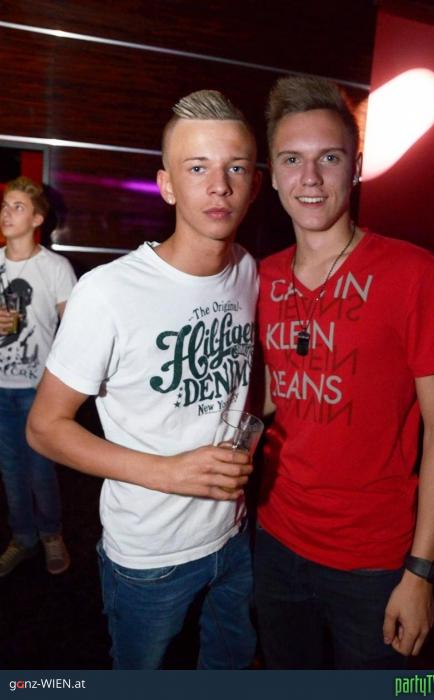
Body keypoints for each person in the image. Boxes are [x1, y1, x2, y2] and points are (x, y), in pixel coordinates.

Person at [27, 90, 261, 669]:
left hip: (233, 535)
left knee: (230, 664)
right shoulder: (107, 291)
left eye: (235, 168)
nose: (219, 186)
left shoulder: (247, 270)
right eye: (197, 168)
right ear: (167, 186)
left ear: (254, 184)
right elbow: (45, 428)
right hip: (149, 553)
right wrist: (168, 471)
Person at [254, 74, 434, 669]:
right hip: (274, 541)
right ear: (274, 176)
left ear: (357, 168)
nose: (310, 177)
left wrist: (421, 572)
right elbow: (272, 397)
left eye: (329, 158)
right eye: (292, 160)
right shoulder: (260, 276)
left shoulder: (411, 272)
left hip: (374, 562)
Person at [0, 176, 76, 577]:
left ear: (37, 219)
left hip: (38, 388)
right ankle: (22, 538)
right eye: (4, 205)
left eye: (18, 207)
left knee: (41, 468)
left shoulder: (55, 268)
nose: (6, 213)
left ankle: (51, 535)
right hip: (0, 389)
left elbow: (77, 330)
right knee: (10, 469)